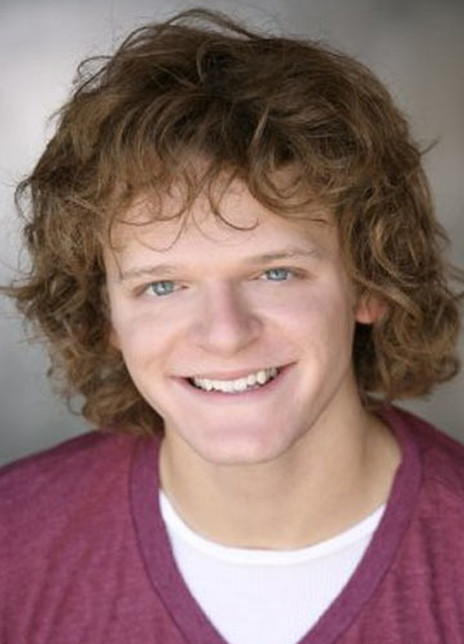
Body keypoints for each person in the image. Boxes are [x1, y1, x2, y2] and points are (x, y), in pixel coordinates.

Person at [0, 7, 463, 643]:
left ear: (369, 284)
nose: (224, 333)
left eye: (275, 273)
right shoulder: (13, 546)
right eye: (163, 286)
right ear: (106, 314)